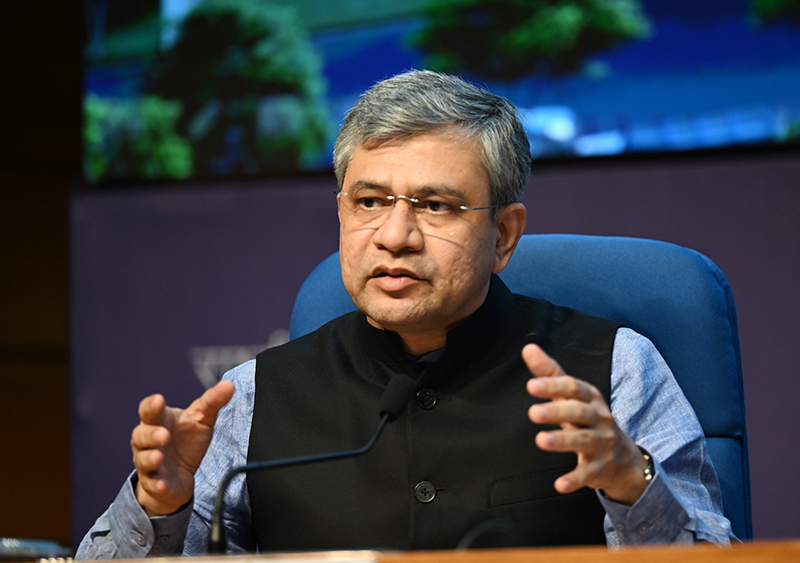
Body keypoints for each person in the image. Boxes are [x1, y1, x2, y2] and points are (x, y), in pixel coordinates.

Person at [77, 70, 734, 558]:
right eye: (369, 201)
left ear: (504, 235)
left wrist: (631, 483)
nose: (394, 236)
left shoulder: (613, 369)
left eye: (435, 205)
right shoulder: (252, 397)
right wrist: (159, 507)